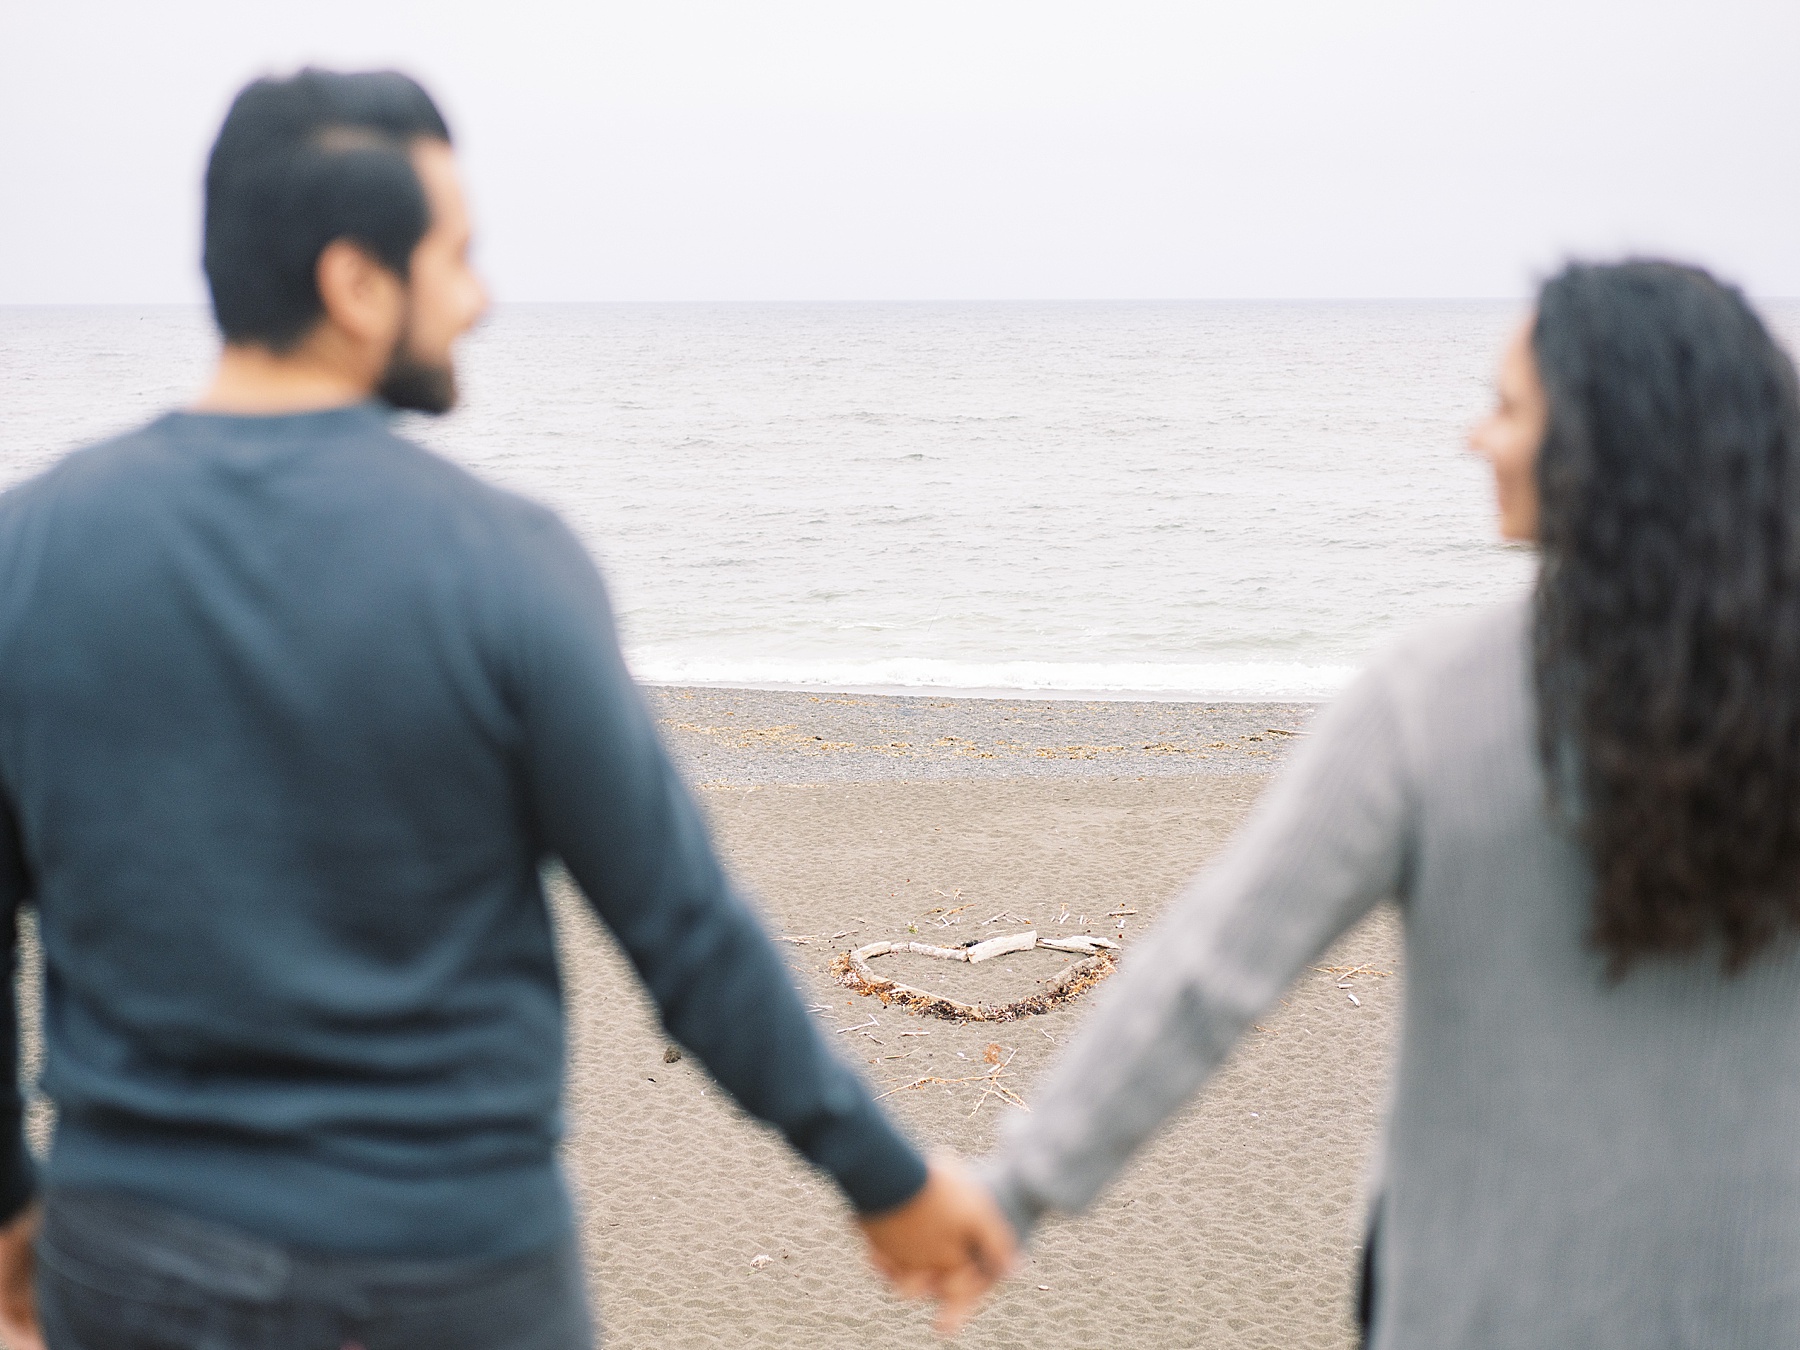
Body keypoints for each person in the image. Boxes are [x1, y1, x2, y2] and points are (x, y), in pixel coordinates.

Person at [0, 68, 1012, 1350]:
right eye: (456, 259)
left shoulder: (25, 557)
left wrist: (7, 1207)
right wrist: (888, 1182)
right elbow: (685, 938)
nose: (479, 302)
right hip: (448, 1276)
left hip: (135, 1260)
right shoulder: (505, 567)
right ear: (357, 285)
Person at [945, 260, 1800, 1346]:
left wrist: (1015, 1191)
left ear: (1604, 444)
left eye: (1505, 407)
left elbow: (1208, 974)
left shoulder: (1430, 708)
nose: (1473, 439)